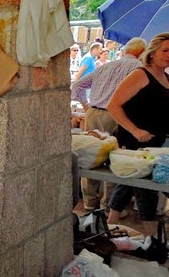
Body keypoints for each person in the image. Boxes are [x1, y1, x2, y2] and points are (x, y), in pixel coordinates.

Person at [71, 37, 147, 212]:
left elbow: (78, 85)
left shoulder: (106, 66)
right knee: (113, 158)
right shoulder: (138, 70)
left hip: (93, 113)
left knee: (88, 157)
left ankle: (90, 203)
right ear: (142, 53)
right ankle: (107, 206)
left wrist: (85, 105)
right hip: (116, 115)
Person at [106, 33, 169, 229]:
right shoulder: (140, 74)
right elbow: (113, 105)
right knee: (145, 190)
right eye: (165, 50)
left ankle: (111, 223)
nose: (168, 55)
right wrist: (135, 130)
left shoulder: (166, 77)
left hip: (155, 142)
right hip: (135, 141)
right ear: (152, 53)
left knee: (129, 183)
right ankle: (149, 237)